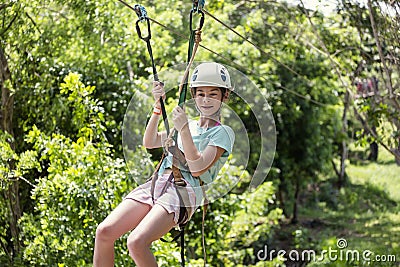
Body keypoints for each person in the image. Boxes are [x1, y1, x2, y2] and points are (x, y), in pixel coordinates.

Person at [93, 62, 235, 267]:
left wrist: (184, 129)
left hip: (183, 191)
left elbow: (197, 168)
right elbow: (150, 142)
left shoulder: (222, 133)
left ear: (224, 97)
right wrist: (157, 109)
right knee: (104, 232)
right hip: (159, 182)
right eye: (200, 93)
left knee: (136, 242)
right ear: (194, 96)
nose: (205, 99)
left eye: (213, 94)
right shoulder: (188, 124)